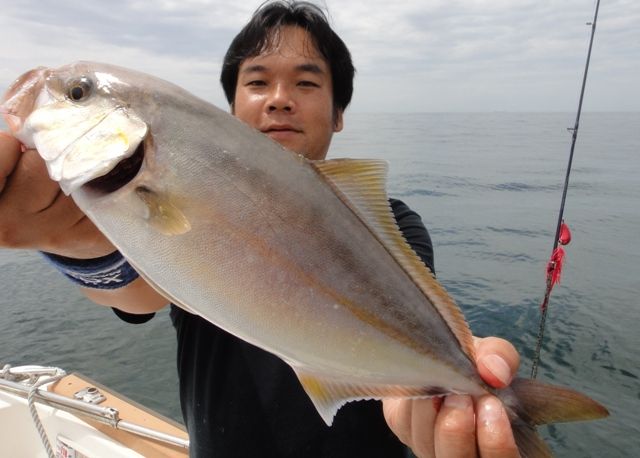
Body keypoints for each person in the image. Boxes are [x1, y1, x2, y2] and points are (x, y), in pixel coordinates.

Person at [0, 1, 521, 457]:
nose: (279, 99)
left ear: (339, 113)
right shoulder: (188, 193)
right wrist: (70, 242)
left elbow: (401, 341)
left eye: (306, 82)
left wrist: (430, 397)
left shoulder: (391, 226)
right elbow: (139, 289)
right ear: (231, 109)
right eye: (257, 82)